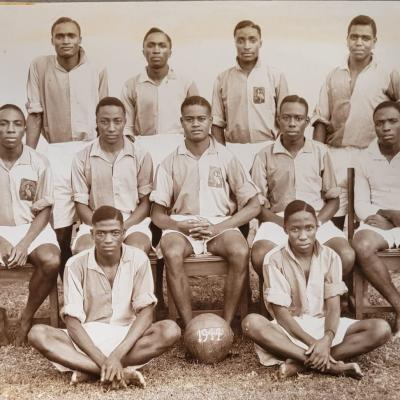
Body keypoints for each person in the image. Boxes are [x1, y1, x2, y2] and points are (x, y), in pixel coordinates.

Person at [28, 205, 181, 389]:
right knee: (38, 334)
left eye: (115, 233)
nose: (108, 239)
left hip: (127, 340)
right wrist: (104, 360)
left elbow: (146, 313)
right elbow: (72, 322)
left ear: (124, 233)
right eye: (101, 233)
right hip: (87, 339)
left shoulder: (139, 259)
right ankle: (115, 371)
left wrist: (116, 355)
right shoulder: (75, 264)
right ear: (92, 235)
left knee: (171, 330)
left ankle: (87, 368)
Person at [242, 200, 391, 380]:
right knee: (251, 323)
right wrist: (314, 343)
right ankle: (331, 365)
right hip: (289, 330)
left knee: (381, 329)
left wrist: (327, 339)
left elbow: (334, 306)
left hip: (323, 325)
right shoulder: (273, 259)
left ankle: (299, 363)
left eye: (309, 228)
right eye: (295, 229)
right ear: (285, 230)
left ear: (317, 228)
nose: (303, 235)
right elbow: (281, 315)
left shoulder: (330, 257)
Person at [150, 96, 260, 327]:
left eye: (201, 118)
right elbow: (157, 214)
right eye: (189, 119)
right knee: (171, 252)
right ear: (182, 122)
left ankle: (227, 324)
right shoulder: (169, 162)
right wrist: (180, 225)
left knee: (240, 250)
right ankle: (190, 325)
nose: (196, 124)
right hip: (182, 225)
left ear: (211, 120)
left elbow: (253, 205)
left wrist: (218, 227)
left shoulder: (227, 158)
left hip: (219, 224)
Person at [25, 17, 108, 277]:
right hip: (57, 150)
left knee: (92, 214)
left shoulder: (98, 67)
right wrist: (29, 156)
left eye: (71, 35)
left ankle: (97, 279)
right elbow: (35, 113)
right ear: (52, 40)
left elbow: (104, 115)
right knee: (60, 218)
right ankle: (65, 283)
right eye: (60, 36)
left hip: (90, 147)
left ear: (80, 39)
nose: (66, 41)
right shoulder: (39, 66)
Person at [251, 95, 354, 282]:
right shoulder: (264, 155)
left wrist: (317, 223)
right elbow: (257, 204)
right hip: (279, 221)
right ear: (278, 119)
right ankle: (284, 297)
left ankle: (317, 295)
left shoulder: (320, 151)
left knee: (345, 255)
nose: (292, 123)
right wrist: (282, 224)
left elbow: (333, 199)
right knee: (259, 256)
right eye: (286, 117)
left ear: (306, 122)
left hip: (315, 218)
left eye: (298, 118)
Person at [312, 15, 400, 229]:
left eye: (365, 38)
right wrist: (318, 156)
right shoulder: (333, 75)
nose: (359, 43)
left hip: (371, 153)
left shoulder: (387, 74)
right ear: (347, 39)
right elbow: (321, 119)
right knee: (335, 208)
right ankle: (338, 256)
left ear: (374, 42)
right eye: (354, 37)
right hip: (337, 153)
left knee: (367, 211)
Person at [0, 104, 60, 346]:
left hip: (32, 227)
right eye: (3, 124)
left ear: (25, 128)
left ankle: (26, 317)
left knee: (52, 260)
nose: (9, 130)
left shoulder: (39, 161)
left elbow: (44, 209)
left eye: (16, 124)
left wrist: (24, 244)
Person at [71, 97, 153, 255]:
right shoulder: (81, 157)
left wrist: (123, 227)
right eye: (104, 121)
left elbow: (145, 203)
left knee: (136, 250)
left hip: (131, 222)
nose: (111, 128)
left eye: (117, 121)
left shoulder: (141, 155)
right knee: (84, 251)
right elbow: (80, 204)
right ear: (96, 122)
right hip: (95, 222)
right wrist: (102, 228)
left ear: (124, 121)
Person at [211, 20, 288, 170]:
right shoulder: (223, 79)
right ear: (235, 43)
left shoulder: (275, 76)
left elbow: (285, 118)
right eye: (241, 40)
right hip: (234, 149)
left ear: (260, 43)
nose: (247, 46)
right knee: (236, 193)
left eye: (252, 40)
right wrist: (222, 155)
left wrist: (278, 150)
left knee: (268, 193)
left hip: (268, 147)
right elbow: (216, 123)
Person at [351, 101, 400, 337]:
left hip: (389, 218)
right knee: (361, 244)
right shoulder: (365, 158)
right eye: (380, 123)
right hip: (377, 222)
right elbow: (360, 204)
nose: (386, 127)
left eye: (393, 121)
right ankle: (399, 305)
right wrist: (389, 218)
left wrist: (392, 215)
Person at [121, 27, 198, 167]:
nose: (156, 50)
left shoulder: (186, 83)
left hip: (178, 148)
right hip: (143, 148)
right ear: (143, 51)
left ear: (170, 52)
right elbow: (127, 128)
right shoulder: (131, 85)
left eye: (162, 45)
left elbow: (196, 121)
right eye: (151, 45)